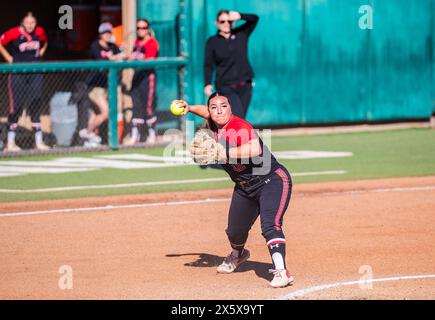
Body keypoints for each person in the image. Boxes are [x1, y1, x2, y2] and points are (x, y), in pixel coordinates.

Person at [173, 92, 294, 288]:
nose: (219, 110)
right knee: (235, 231)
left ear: (231, 109)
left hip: (272, 181)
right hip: (245, 188)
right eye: (214, 107)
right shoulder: (213, 124)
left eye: (224, 106)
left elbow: (254, 149)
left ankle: (282, 272)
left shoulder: (239, 126)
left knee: (270, 225)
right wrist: (189, 108)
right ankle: (238, 255)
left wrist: (222, 152)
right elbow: (205, 112)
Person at [0, 12, 49, 151]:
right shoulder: (13, 33)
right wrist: (9, 59)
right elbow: (1, 42)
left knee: (35, 103)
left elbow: (45, 42)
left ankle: (38, 142)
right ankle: (10, 143)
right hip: (18, 73)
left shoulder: (39, 32)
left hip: (35, 73)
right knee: (16, 106)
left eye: (32, 23)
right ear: (22, 23)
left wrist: (40, 54)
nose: (30, 25)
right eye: (27, 23)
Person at [204, 10, 259, 119]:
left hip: (245, 84)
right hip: (225, 86)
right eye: (222, 21)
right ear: (217, 23)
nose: (226, 24)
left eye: (229, 21)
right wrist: (207, 83)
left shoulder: (241, 33)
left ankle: (234, 136)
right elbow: (208, 65)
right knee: (237, 116)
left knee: (241, 119)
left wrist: (240, 15)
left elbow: (255, 19)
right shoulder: (212, 41)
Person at [82, 22, 126, 146]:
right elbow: (103, 61)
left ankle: (89, 140)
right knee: (106, 111)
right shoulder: (95, 46)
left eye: (109, 32)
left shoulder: (112, 46)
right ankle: (87, 132)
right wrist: (115, 57)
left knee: (96, 113)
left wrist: (120, 54)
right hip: (94, 86)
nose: (107, 35)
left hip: (107, 86)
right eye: (104, 33)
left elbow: (123, 57)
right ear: (100, 34)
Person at [124, 18, 159, 145]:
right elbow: (132, 58)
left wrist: (135, 58)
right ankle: (135, 136)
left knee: (148, 106)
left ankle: (152, 134)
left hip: (147, 77)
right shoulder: (136, 42)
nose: (141, 31)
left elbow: (149, 60)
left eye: (143, 28)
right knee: (136, 105)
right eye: (138, 28)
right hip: (137, 76)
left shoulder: (152, 43)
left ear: (148, 29)